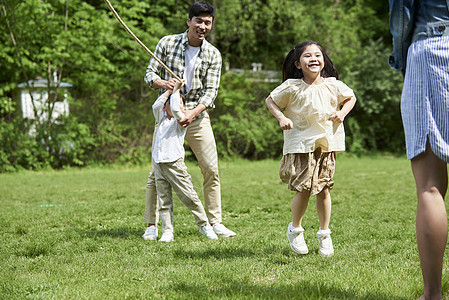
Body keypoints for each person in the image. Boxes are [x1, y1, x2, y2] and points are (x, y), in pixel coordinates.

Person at [142, 1, 236, 240]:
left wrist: (192, 114)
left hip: (197, 116)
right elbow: (149, 75)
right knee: (157, 173)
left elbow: (211, 92)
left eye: (207, 23)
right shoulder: (167, 43)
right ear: (189, 22)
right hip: (168, 117)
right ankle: (152, 225)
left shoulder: (213, 54)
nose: (203, 27)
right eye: (199, 21)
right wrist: (166, 86)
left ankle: (214, 222)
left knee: (211, 169)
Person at [265, 41, 356, 257]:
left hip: (325, 144)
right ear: (297, 63)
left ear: (323, 60)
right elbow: (271, 100)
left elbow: (351, 97)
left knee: (324, 189)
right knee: (304, 188)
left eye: (318, 55)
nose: (313, 58)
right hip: (301, 144)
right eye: (307, 56)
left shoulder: (333, 84)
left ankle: (325, 235)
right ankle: (295, 229)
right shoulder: (292, 86)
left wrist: (341, 114)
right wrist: (281, 118)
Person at [389, 1, 449, 298]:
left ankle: (432, 295)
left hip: (433, 48)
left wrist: (401, 57)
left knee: (430, 187)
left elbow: (402, 11)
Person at [151, 80, 218, 242]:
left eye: (182, 103)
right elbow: (156, 106)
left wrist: (176, 92)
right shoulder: (161, 120)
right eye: (174, 102)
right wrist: (169, 91)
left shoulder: (179, 122)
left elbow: (175, 109)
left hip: (175, 165)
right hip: (159, 164)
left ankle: (204, 225)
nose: (179, 105)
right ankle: (167, 231)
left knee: (189, 196)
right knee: (164, 200)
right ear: (165, 107)